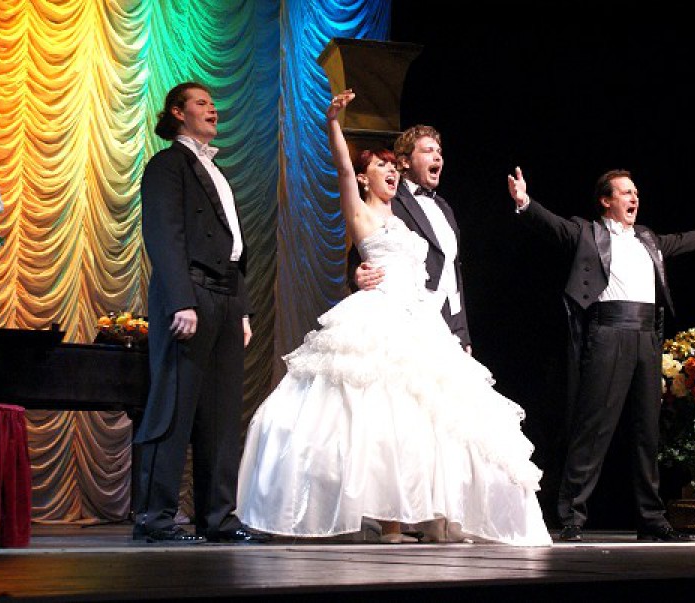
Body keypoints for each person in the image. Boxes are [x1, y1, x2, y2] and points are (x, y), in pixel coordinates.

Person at [234, 90, 552, 546]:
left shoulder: (414, 216)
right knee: (384, 418)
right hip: (380, 316)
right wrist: (333, 122)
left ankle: (438, 516)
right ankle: (390, 523)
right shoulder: (362, 210)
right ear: (367, 178)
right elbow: (344, 170)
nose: (390, 172)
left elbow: (446, 273)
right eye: (382, 167)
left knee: (434, 419)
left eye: (391, 167)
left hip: (422, 320)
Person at [507, 167, 695, 543]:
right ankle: (572, 515)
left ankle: (651, 518)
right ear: (605, 200)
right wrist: (525, 202)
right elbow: (553, 225)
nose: (634, 197)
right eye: (625, 192)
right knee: (594, 427)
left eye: (635, 192)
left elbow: (684, 241)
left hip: (647, 336)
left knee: (647, 431)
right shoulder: (588, 233)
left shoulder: (648, 239)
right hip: (608, 333)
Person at [133, 82, 269, 544]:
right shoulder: (167, 165)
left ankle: (218, 518)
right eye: (201, 102)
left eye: (213, 102)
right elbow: (163, 234)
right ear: (177, 112)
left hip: (226, 297)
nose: (212, 108)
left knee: (221, 415)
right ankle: (155, 518)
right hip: (190, 291)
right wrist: (180, 300)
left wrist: (243, 310)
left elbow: (235, 247)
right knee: (173, 408)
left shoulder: (217, 169)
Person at [347, 123, 471, 353]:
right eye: (428, 151)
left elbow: (452, 272)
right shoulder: (390, 200)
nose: (437, 157)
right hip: (408, 318)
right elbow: (364, 248)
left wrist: (462, 333)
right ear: (405, 162)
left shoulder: (444, 208)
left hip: (447, 324)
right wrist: (357, 274)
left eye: (439, 152)